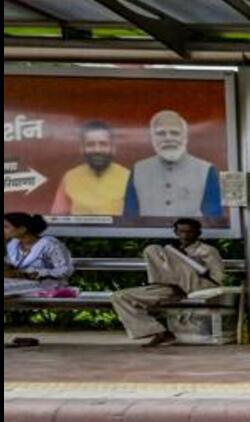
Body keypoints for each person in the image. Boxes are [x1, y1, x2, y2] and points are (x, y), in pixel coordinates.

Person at [110, 217, 227, 348]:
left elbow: (218, 278)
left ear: (198, 233)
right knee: (120, 296)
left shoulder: (207, 250)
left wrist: (191, 265)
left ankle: (170, 284)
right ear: (176, 233)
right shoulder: (173, 250)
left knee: (171, 254)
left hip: (197, 287)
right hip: (171, 287)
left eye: (190, 232)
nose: (185, 235)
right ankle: (158, 332)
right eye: (181, 232)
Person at [124, 110, 223, 220]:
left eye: (175, 133)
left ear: (185, 137)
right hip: (148, 236)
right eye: (161, 133)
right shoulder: (139, 169)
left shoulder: (205, 170)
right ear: (152, 138)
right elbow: (129, 217)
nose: (168, 138)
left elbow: (214, 218)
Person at [51, 120, 130, 216]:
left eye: (103, 144)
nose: (97, 150)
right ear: (82, 148)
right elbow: (57, 218)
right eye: (90, 144)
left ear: (113, 148)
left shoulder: (128, 177)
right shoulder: (70, 177)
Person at [4, 212, 74, 298]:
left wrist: (38, 273)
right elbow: (12, 265)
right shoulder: (13, 245)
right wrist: (9, 269)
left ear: (22, 229)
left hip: (48, 285)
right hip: (20, 283)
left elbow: (66, 270)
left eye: (6, 227)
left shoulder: (49, 244)